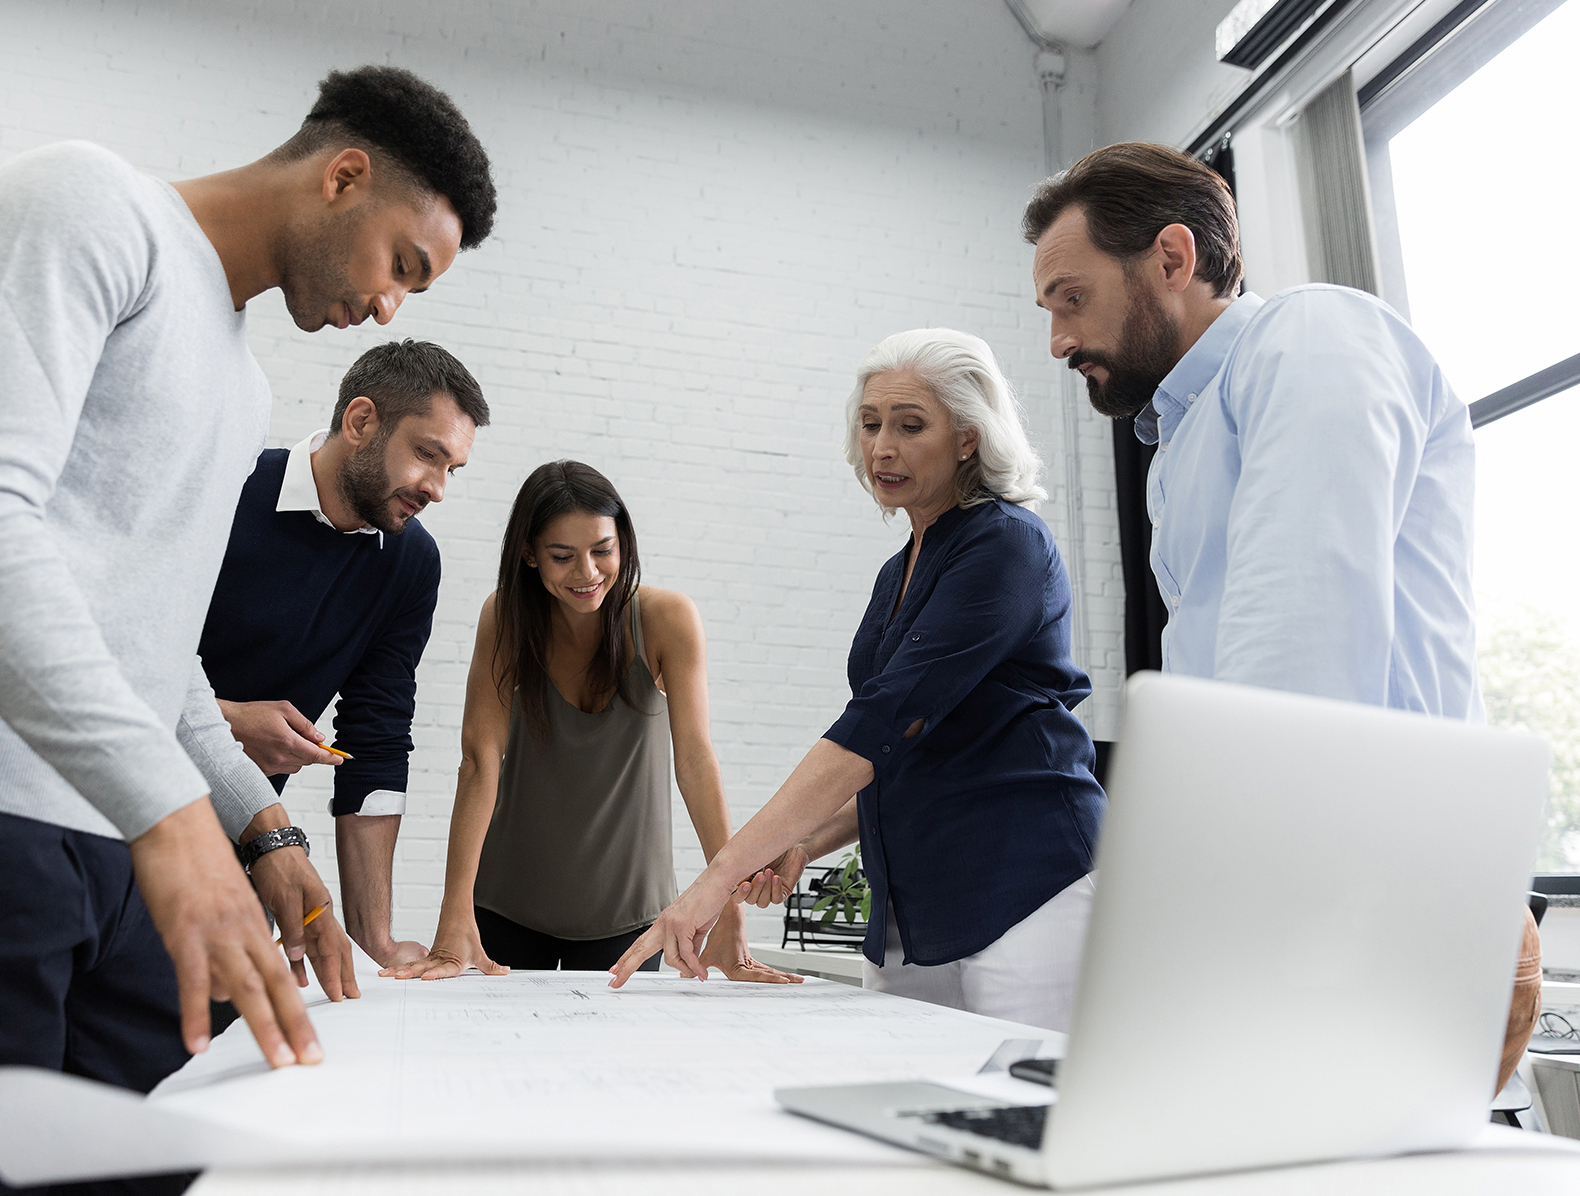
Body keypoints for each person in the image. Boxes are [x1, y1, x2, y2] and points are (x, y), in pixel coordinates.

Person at [0, 65, 495, 1195]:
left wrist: (262, 827)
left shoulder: (241, 383)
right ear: (342, 177)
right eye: (401, 265)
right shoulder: (85, 207)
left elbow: (158, 661)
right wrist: (176, 821)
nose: (390, 306)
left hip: (109, 850)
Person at [609, 330, 1107, 1033]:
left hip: (1030, 891)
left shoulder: (1007, 545)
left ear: (968, 437)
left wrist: (715, 881)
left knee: (1029, 1115)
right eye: (870, 424)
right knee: (906, 1118)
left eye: (910, 426)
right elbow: (894, 758)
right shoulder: (897, 571)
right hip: (914, 910)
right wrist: (804, 844)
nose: (881, 447)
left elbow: (875, 726)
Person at [1021, 142, 1479, 718]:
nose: (1059, 341)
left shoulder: (1309, 333)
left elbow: (1299, 625)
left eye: (1074, 298)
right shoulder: (1179, 439)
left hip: (1366, 796)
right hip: (1268, 784)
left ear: (1171, 261)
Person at [386, 462, 799, 982]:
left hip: (630, 916)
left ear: (623, 542)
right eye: (562, 556)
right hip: (507, 906)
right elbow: (478, 762)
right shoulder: (507, 618)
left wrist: (730, 914)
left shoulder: (666, 618)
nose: (587, 572)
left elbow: (695, 763)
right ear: (529, 554)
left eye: (602, 549)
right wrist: (455, 912)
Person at [201, 340, 488, 972]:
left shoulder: (412, 563)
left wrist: (376, 937)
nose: (437, 490)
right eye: (427, 456)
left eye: (452, 470)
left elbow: (376, 739)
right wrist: (227, 721)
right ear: (360, 423)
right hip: (104, 813)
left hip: (245, 845)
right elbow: (123, 651)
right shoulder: (226, 486)